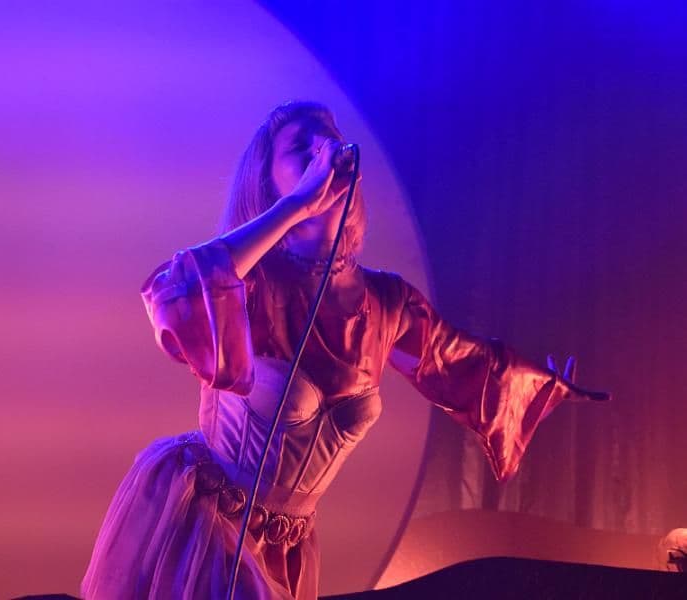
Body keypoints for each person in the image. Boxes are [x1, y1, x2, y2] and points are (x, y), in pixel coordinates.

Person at [80, 101, 607, 599]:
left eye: (328, 137)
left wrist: (540, 390)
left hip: (289, 545)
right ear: (268, 182)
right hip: (208, 528)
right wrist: (296, 207)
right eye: (300, 146)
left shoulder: (387, 303)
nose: (321, 149)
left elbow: (465, 365)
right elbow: (174, 293)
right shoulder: (252, 283)